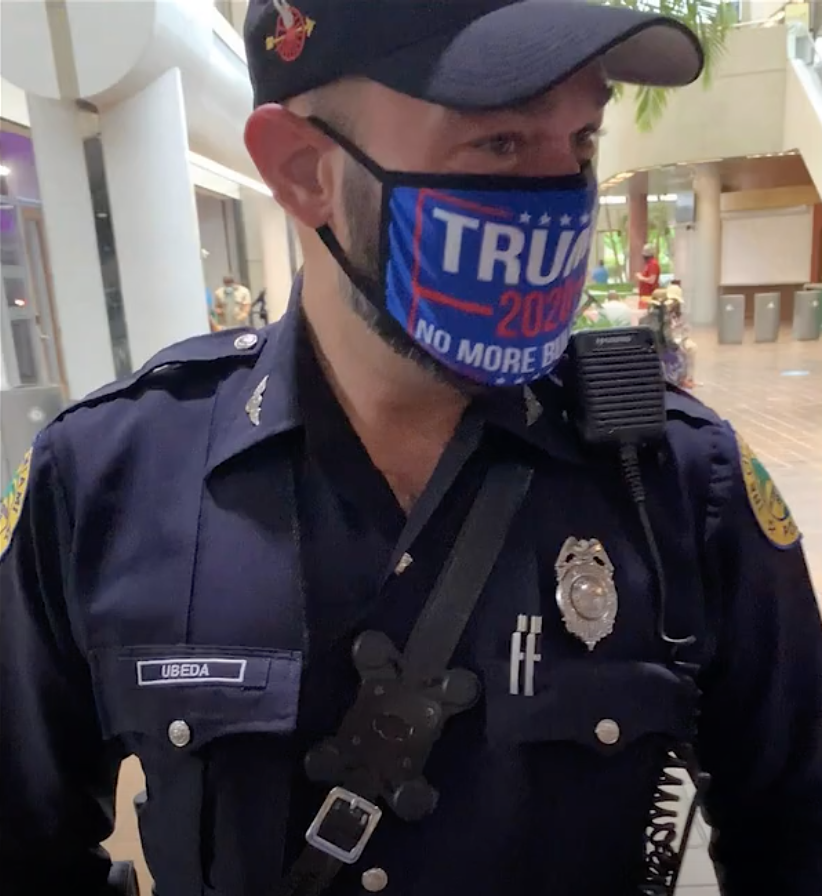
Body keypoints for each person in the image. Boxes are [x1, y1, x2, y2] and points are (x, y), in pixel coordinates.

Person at [2, 2, 821, 896]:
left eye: (582, 143)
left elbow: (800, 839)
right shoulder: (104, 484)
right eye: (502, 145)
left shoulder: (677, 479)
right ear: (303, 169)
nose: (559, 193)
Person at [636, 242, 661, 309]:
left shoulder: (653, 264)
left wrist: (640, 277)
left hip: (650, 296)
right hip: (645, 296)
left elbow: (652, 280)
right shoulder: (648, 264)